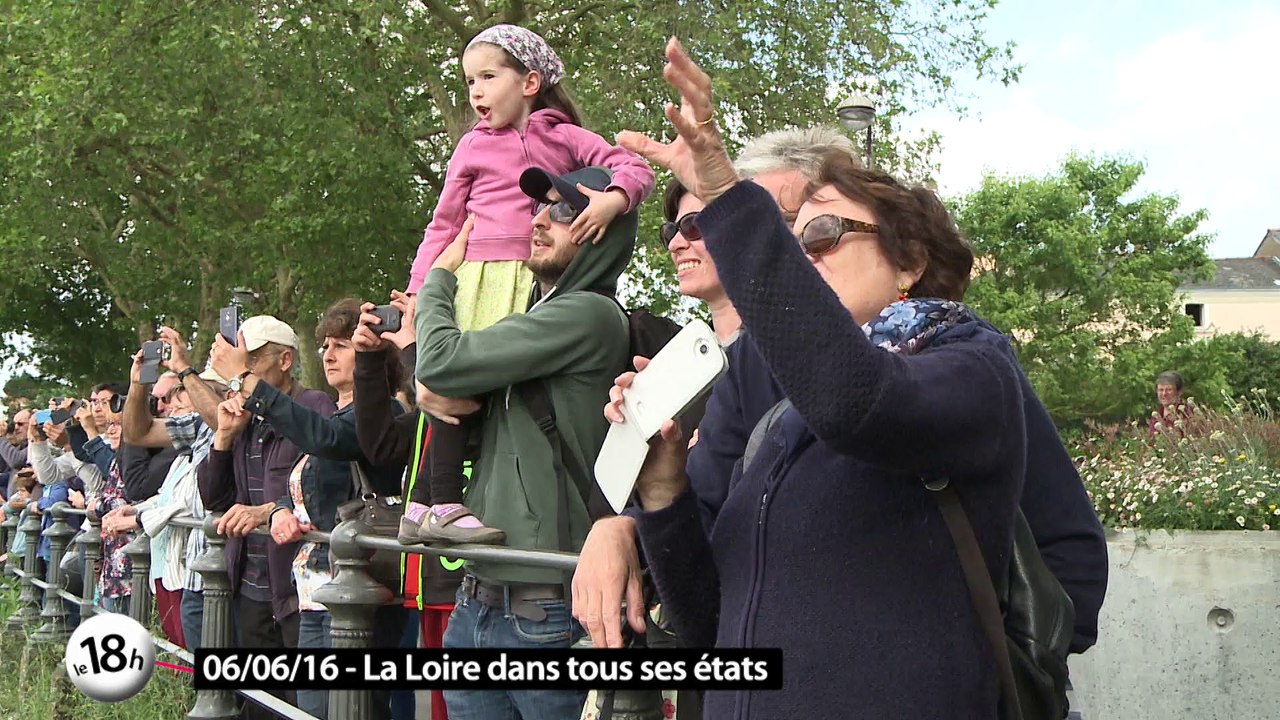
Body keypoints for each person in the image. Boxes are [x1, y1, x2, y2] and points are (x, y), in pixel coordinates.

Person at [602, 38, 1080, 719]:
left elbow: (853, 400)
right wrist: (661, 490)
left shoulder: (972, 368)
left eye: (821, 232)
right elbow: (712, 625)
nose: (800, 255)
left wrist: (723, 189)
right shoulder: (777, 426)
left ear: (909, 259)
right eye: (789, 242)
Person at [402, 23, 655, 545]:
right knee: (452, 385)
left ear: (530, 81)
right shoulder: (471, 147)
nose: (475, 91)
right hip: (479, 274)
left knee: (489, 391)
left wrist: (612, 198)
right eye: (469, 80)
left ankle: (443, 500)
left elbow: (629, 165)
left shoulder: (563, 137)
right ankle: (434, 499)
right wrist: (422, 288)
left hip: (529, 282)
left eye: (488, 77)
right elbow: (444, 224)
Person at [414, 164, 636, 720]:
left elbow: (440, 361)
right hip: (483, 600)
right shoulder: (537, 321)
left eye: (562, 212)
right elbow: (441, 386)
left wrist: (440, 278)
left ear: (598, 232)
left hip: (544, 615)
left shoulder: (586, 314)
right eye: (537, 209)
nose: (539, 221)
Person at [216, 298, 405, 720]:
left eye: (343, 344)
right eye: (324, 345)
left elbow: (327, 439)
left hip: (359, 589)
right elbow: (313, 484)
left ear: (376, 354)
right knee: (314, 710)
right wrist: (280, 508)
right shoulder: (337, 414)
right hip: (317, 586)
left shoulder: (382, 415)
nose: (328, 354)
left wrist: (244, 380)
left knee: (352, 710)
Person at [199, 315, 336, 719]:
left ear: (285, 360)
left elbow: (322, 490)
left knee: (306, 705)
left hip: (296, 590)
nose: (237, 379)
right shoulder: (245, 414)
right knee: (261, 704)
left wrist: (270, 509)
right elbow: (214, 498)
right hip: (251, 585)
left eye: (248, 366)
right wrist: (223, 437)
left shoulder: (314, 408)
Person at [1149, 370, 1192, 434]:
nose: (1164, 394)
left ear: (1179, 392)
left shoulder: (1188, 415)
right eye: (1161, 390)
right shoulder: (1156, 417)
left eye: (1169, 390)